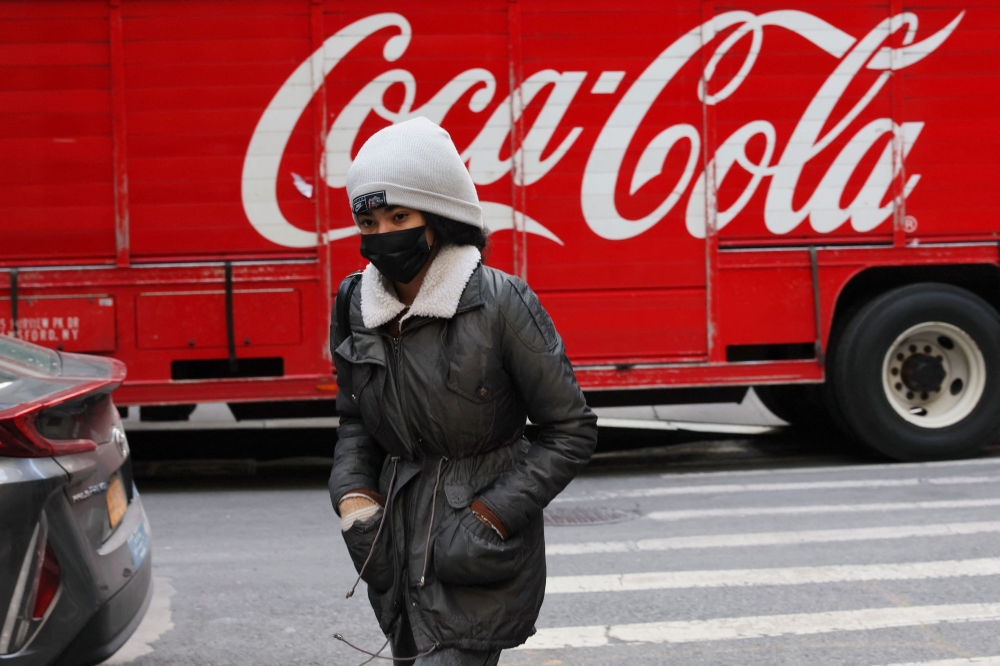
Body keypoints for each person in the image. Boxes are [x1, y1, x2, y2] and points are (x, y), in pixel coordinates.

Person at [329, 116, 598, 665]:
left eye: (399, 216)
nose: (382, 234)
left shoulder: (501, 303)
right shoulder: (354, 303)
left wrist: (489, 516)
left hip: (472, 551)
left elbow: (570, 430)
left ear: (441, 217)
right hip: (389, 549)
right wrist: (355, 499)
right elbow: (354, 419)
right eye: (369, 220)